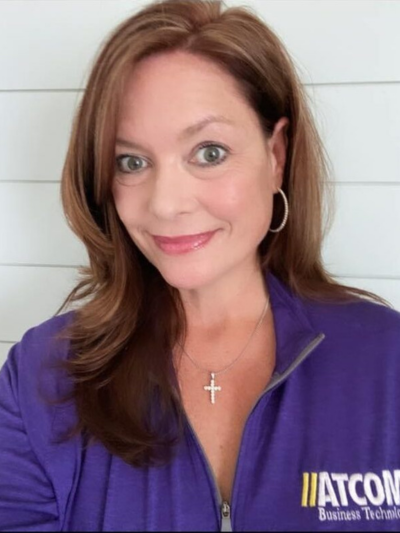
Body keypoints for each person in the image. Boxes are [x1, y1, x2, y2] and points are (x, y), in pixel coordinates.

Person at [1, 0, 399, 530]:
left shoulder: (388, 361)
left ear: (276, 156)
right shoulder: (40, 379)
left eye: (209, 152)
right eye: (131, 161)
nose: (166, 204)